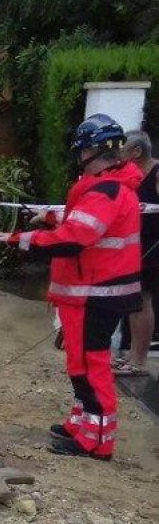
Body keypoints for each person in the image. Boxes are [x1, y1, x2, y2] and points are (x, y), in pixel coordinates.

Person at [0, 113, 142, 461]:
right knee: (80, 363)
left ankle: (96, 441)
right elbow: (85, 221)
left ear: (90, 151)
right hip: (94, 293)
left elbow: (73, 239)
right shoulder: (110, 186)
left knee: (90, 365)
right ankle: (83, 424)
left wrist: (18, 239)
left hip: (95, 294)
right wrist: (49, 217)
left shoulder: (106, 190)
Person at [112, 130, 158, 376]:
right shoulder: (131, 176)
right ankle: (131, 354)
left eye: (122, 150)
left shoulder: (156, 173)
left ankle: (139, 361)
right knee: (133, 299)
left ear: (136, 151)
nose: (118, 155)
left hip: (152, 247)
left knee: (142, 299)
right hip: (135, 244)